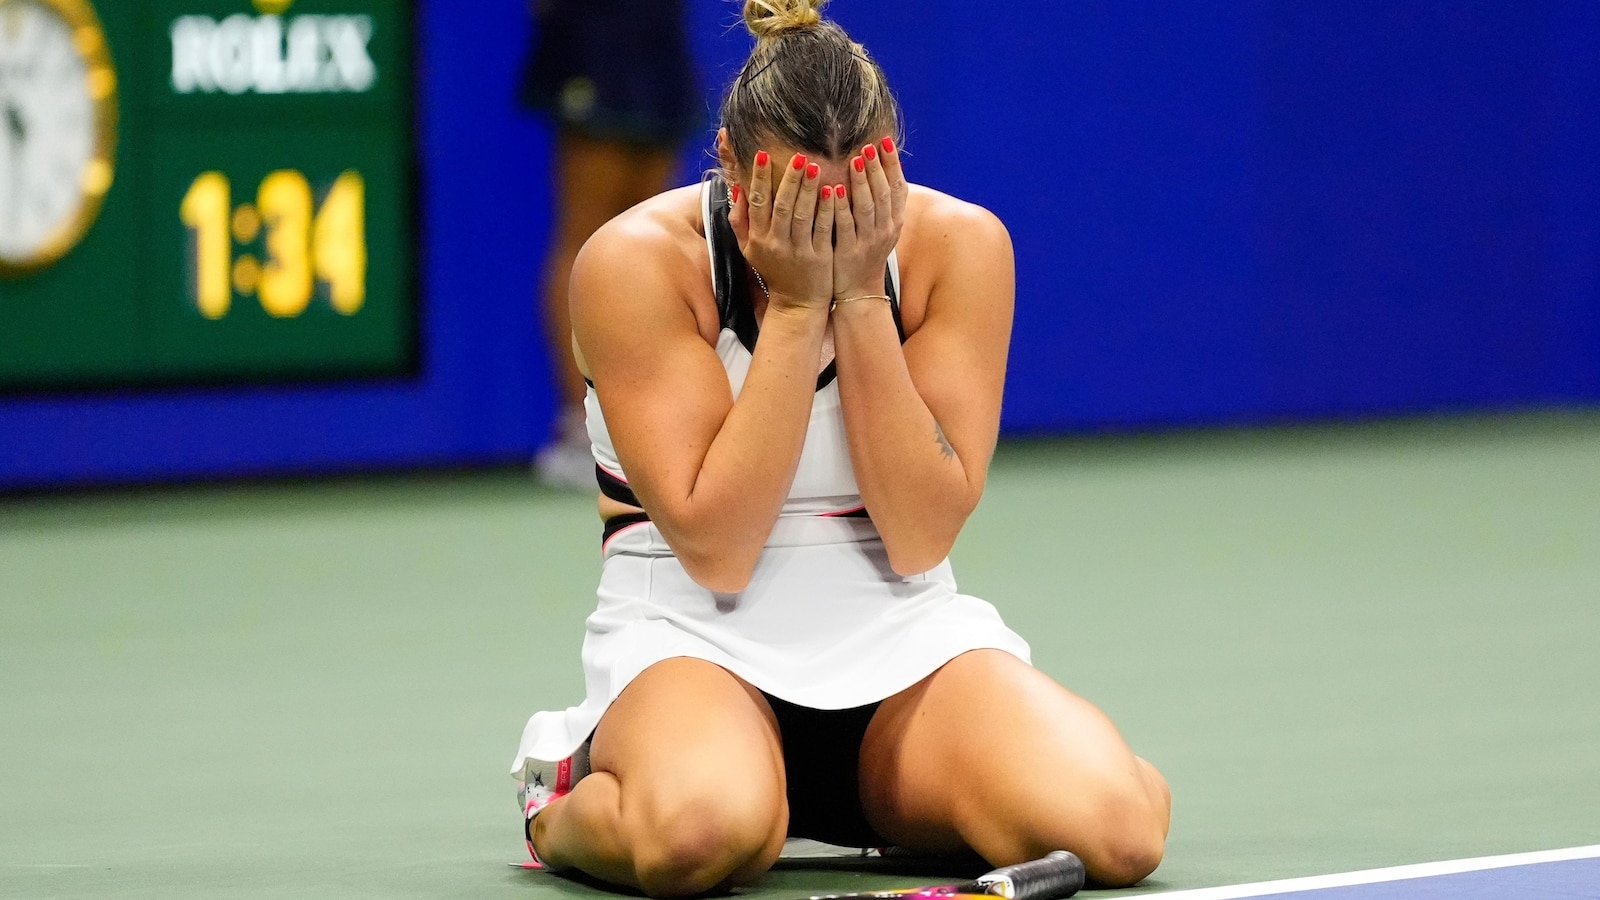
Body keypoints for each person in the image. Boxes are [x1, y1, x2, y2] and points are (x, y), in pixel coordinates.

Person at [510, 0, 1172, 895]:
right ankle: (563, 801)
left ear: (890, 168)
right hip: (690, 638)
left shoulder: (960, 248)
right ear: (731, 168)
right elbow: (719, 547)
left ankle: (896, 795)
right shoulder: (635, 264)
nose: (822, 228)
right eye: (787, 198)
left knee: (1118, 831)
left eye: (849, 199)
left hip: (902, 637)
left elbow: (922, 536)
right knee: (697, 836)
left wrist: (859, 297)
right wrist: (792, 307)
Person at [521, 0, 703, 487]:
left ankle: (651, 419)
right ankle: (584, 428)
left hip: (658, 41)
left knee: (656, 242)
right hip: (592, 44)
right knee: (585, 237)